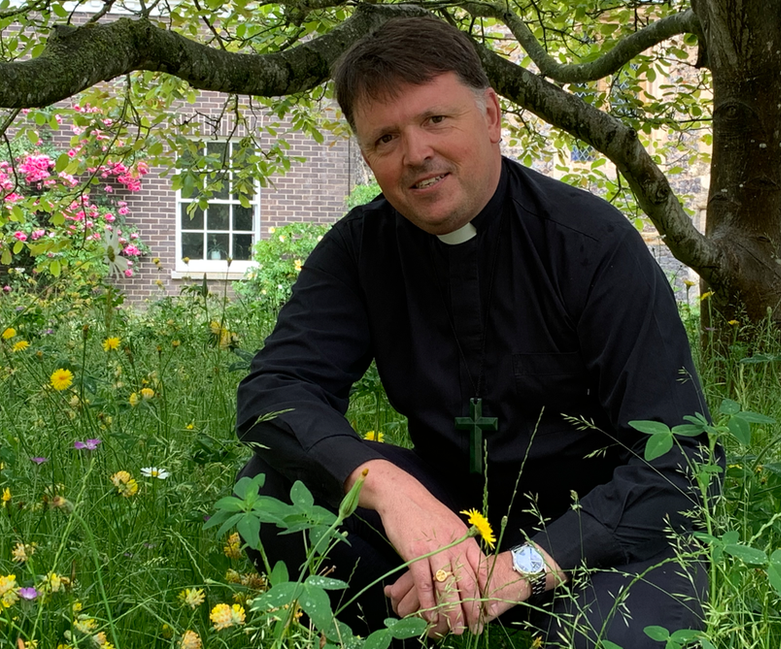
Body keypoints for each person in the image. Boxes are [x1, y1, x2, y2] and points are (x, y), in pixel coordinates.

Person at [236, 16, 721, 648]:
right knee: (275, 492)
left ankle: (472, 604)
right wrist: (392, 492)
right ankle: (419, 617)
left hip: (593, 538)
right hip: (444, 518)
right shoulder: (360, 249)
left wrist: (520, 568)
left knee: (614, 636)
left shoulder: (593, 246)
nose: (415, 154)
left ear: (491, 116)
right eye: (385, 138)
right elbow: (276, 390)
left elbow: (681, 461)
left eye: (435, 120)